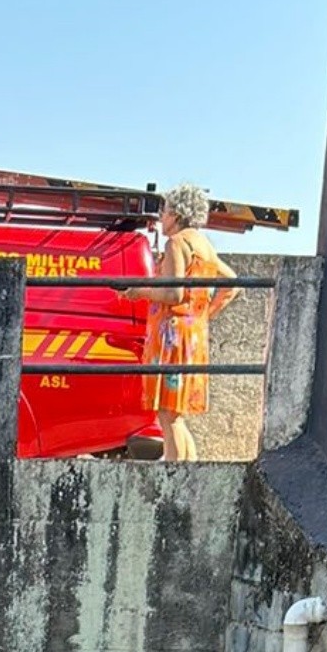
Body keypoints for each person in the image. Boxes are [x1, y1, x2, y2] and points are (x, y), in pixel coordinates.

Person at [125, 182, 238, 461]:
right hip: (191, 335)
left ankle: (175, 475)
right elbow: (232, 283)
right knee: (176, 414)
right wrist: (202, 316)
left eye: (164, 211)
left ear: (176, 213)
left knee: (167, 414)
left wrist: (139, 291)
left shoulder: (177, 242)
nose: (161, 218)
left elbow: (173, 294)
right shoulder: (203, 245)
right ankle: (190, 471)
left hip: (171, 336)